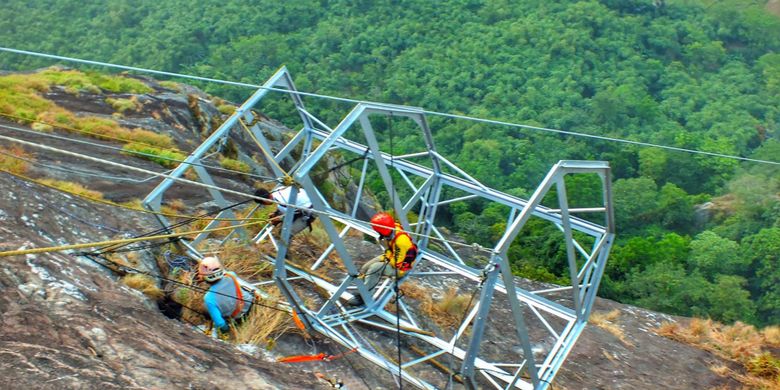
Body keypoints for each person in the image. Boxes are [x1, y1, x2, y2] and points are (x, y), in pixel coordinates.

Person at [348, 212, 418, 306]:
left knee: (374, 269)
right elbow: (390, 251)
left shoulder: (401, 242)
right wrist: (387, 253)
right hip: (391, 256)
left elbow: (396, 263)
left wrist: (386, 256)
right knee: (365, 268)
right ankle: (364, 289)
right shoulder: (392, 229)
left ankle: (365, 297)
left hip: (400, 267)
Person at [198, 256, 256, 336]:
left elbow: (220, 323)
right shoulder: (231, 275)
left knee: (205, 309)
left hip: (238, 317)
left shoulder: (209, 298)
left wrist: (227, 331)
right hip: (250, 305)